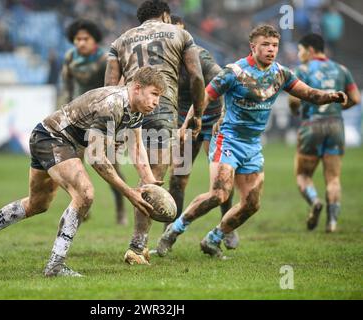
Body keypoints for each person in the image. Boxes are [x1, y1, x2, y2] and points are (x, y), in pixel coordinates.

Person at [155, 25, 348, 258]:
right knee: (219, 194)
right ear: (253, 46)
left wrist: (331, 96)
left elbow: (308, 93)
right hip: (227, 139)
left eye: (274, 45)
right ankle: (173, 232)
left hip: (252, 145)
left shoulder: (281, 74)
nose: (271, 50)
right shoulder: (234, 72)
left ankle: (213, 239)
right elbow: (204, 97)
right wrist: (189, 124)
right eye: (265, 45)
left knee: (252, 204)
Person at [0, 66, 166, 277]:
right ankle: (55, 265)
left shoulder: (136, 109)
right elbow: (96, 158)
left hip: (52, 138)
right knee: (85, 194)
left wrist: (150, 185)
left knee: (37, 203)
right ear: (138, 88)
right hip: (53, 138)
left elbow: (137, 148)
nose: (157, 102)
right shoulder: (112, 104)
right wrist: (129, 192)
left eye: (159, 96)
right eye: (154, 94)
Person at [105, 0, 205, 265]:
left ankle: (140, 245)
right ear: (165, 15)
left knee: (145, 175)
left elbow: (109, 86)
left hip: (128, 109)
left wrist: (113, 128)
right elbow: (196, 77)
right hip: (161, 111)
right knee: (153, 180)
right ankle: (137, 248)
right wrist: (199, 115)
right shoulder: (180, 34)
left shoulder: (120, 41)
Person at [162, 15, 238, 251]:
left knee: (221, 178)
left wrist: (223, 116)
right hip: (184, 123)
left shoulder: (199, 55)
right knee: (178, 178)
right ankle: (170, 231)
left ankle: (228, 227)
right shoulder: (162, 60)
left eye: (178, 31)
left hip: (211, 120)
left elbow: (222, 80)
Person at [288, 33, 360, 233]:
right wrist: (336, 109)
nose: (299, 54)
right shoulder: (341, 69)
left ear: (310, 50)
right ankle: (333, 222)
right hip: (336, 125)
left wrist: (296, 111)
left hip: (311, 125)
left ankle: (314, 201)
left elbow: (294, 100)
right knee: (333, 177)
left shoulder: (301, 69)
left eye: (301, 50)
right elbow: (355, 98)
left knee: (303, 174)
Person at [63, 18, 128, 225]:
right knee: (72, 167)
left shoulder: (105, 60)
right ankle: (80, 205)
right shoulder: (70, 58)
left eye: (85, 39)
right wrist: (65, 113)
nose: (81, 42)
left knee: (111, 169)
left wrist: (117, 125)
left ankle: (121, 211)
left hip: (101, 118)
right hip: (78, 118)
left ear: (94, 41)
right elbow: (67, 87)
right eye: (77, 39)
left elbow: (114, 88)